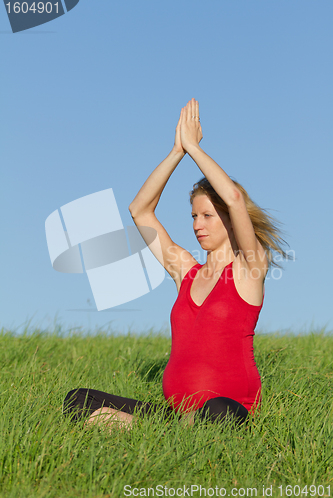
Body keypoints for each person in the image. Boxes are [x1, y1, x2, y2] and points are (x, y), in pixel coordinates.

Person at [63, 98, 289, 430]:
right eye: (194, 216)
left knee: (220, 413)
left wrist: (195, 149)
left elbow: (235, 198)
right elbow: (139, 210)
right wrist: (176, 152)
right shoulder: (185, 270)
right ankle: (167, 430)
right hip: (176, 412)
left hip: (226, 410)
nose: (198, 224)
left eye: (208, 216)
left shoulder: (249, 269)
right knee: (78, 399)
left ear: (229, 220)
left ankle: (147, 430)